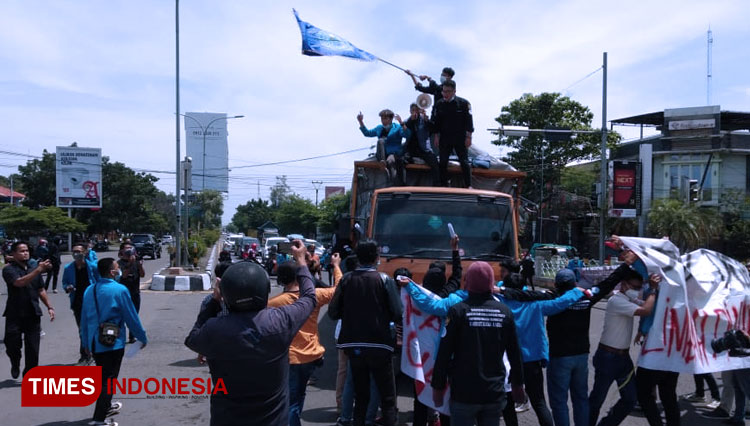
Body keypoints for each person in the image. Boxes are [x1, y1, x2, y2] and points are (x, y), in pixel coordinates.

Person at [185, 240, 317, 426]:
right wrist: (302, 261)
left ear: (224, 294)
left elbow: (192, 339)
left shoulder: (215, 329)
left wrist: (214, 302)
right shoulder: (280, 321)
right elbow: (310, 297)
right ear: (265, 291)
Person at [545, 247, 641, 426]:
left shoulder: (552, 301)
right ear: (575, 284)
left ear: (556, 285)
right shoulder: (585, 299)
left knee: (559, 402)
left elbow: (528, 297)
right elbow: (607, 284)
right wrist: (626, 264)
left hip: (559, 357)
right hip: (581, 357)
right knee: (581, 399)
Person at [431, 261, 525, 425]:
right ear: (491, 282)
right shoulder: (504, 312)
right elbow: (514, 353)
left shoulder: (457, 311)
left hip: (463, 393)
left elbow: (444, 353)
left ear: (468, 282)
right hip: (494, 392)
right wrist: (517, 386)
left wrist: (438, 387)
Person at [328, 239, 402, 426]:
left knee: (360, 396)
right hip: (380, 345)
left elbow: (333, 312)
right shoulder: (385, 280)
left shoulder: (346, 280)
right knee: (387, 397)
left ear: (358, 258)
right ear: (377, 257)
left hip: (354, 346)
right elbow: (398, 312)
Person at [267, 253, 342, 426]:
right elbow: (339, 288)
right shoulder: (315, 296)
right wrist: (336, 265)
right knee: (299, 395)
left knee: (290, 400)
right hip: (311, 356)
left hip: (289, 357)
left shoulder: (274, 303)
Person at [588, 259, 660, 426]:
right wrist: (654, 290)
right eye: (634, 287)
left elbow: (650, 305)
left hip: (623, 358)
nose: (637, 291)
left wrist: (654, 287)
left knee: (630, 399)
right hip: (608, 357)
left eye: (638, 288)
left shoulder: (629, 300)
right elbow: (646, 310)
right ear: (624, 285)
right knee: (596, 400)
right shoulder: (617, 301)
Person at [80, 257, 147, 426]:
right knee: (108, 380)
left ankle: (106, 406)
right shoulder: (120, 290)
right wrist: (142, 336)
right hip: (112, 342)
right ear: (112, 272)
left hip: (95, 342)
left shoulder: (89, 290)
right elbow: (131, 316)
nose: (119, 270)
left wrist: (86, 344)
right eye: (117, 268)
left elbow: (84, 320)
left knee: (103, 376)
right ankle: (98, 419)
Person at [3, 241, 55, 379]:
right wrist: (38, 270)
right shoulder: (9, 269)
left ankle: (29, 374)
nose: (25, 253)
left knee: (33, 348)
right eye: (21, 251)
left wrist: (49, 306)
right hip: (14, 313)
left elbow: (40, 289)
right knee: (12, 344)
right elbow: (19, 282)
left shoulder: (33, 268)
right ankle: (15, 362)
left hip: (32, 312)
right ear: (13, 254)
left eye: (26, 250)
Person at [633, 276, 679, 426]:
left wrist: (653, 289)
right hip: (673, 347)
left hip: (656, 347)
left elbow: (648, 312)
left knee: (643, 392)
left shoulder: (654, 289)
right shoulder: (681, 290)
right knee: (668, 393)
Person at [62, 242, 99, 365]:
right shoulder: (68, 268)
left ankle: (93, 352)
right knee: (82, 329)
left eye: (79, 251)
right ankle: (84, 354)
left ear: (85, 253)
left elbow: (100, 282)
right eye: (74, 252)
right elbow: (65, 283)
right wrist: (68, 287)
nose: (76, 254)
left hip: (92, 302)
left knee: (92, 328)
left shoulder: (93, 267)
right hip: (77, 302)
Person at [432, 80, 474, 188]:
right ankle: (444, 185)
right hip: (445, 137)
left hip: (460, 137)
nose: (445, 94)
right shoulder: (439, 104)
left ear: (454, 91)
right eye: (444, 91)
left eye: (448, 91)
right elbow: (436, 123)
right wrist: (436, 136)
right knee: (443, 162)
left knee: (464, 162)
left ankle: (468, 185)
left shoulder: (464, 103)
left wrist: (469, 137)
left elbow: (469, 122)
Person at [357, 109, 408, 186]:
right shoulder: (379, 128)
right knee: (380, 141)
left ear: (391, 119)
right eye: (382, 118)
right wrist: (360, 121)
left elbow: (407, 135)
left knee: (390, 161)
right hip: (381, 155)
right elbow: (367, 133)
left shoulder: (397, 127)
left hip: (393, 154)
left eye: (385, 118)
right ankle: (382, 162)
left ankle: (395, 184)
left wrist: (402, 123)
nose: (383, 121)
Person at [402, 103, 439, 186]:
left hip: (423, 148)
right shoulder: (406, 121)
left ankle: (437, 185)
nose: (414, 112)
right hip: (410, 149)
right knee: (401, 161)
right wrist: (411, 120)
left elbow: (433, 129)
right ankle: (402, 184)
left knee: (434, 163)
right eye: (413, 110)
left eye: (416, 110)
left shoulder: (424, 119)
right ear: (410, 111)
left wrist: (427, 120)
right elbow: (405, 131)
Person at [117, 243, 145, 343]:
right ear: (121, 251)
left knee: (134, 315)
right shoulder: (118, 263)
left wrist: (140, 265)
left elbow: (142, 275)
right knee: (122, 315)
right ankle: (119, 335)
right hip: (123, 294)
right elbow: (123, 276)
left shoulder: (137, 261)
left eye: (130, 248)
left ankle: (132, 336)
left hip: (135, 292)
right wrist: (129, 263)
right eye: (126, 249)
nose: (129, 250)